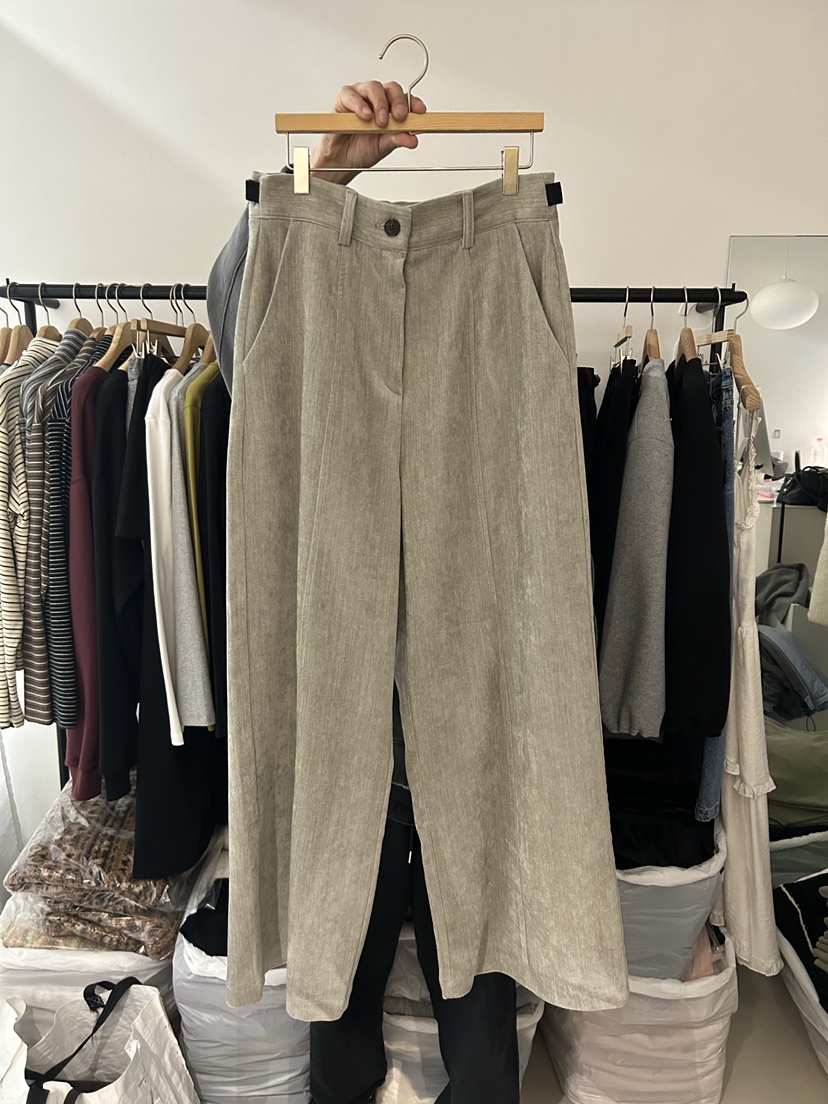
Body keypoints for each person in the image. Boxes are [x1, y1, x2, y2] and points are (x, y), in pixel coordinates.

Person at [207, 80, 522, 1104]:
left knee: (482, 1002)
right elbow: (242, 321)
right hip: (345, 741)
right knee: (336, 1002)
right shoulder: (299, 319)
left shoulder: (495, 331)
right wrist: (327, 174)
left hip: (465, 723)